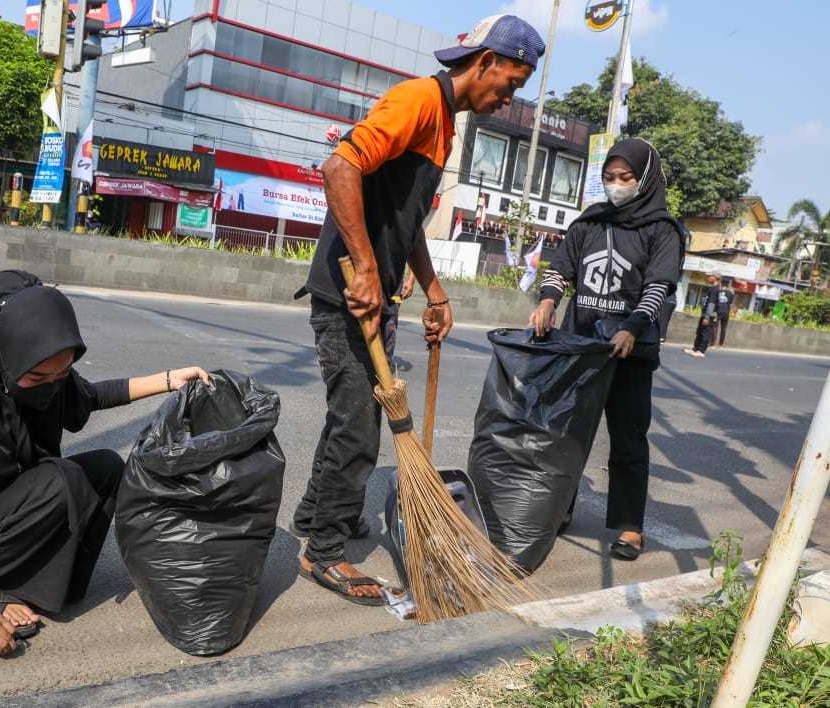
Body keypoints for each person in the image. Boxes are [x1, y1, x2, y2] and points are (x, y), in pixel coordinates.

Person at [293, 14, 545, 604]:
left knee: (358, 417)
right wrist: (364, 271)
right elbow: (340, 168)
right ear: (483, 62)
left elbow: (404, 222)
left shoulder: (445, 126)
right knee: (357, 424)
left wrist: (434, 290)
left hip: (377, 294)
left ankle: (322, 514)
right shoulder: (415, 101)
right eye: (510, 82)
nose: (508, 98)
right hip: (349, 294)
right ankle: (322, 552)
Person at [0, 271, 208, 656]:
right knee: (61, 479)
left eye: (62, 373)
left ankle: (24, 583)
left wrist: (169, 380)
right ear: (3, 355)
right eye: (37, 377)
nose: (52, 385)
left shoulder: (41, 373)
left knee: (105, 469)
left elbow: (91, 395)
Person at [530, 138, 685, 562]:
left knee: (628, 439)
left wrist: (634, 326)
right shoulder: (590, 223)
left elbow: (659, 285)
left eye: (625, 177)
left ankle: (630, 526)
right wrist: (547, 301)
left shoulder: (662, 229)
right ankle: (561, 508)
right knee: (567, 434)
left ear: (645, 178)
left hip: (629, 353)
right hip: (582, 348)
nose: (615, 185)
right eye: (609, 177)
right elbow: (560, 268)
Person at [683, 281, 718, 358]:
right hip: (704, 314)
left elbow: (711, 304)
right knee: (699, 332)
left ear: (715, 277)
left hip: (709, 316)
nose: (708, 277)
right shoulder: (712, 288)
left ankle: (701, 351)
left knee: (705, 333)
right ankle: (695, 349)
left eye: (711, 275)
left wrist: (707, 317)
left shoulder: (715, 289)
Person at [710, 277, 735, 348]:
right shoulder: (731, 293)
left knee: (715, 327)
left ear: (721, 283)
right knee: (723, 329)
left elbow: (714, 302)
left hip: (718, 311)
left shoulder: (717, 291)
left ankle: (713, 344)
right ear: (728, 284)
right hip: (726, 312)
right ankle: (721, 344)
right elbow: (730, 304)